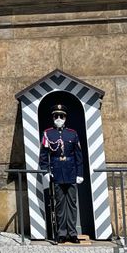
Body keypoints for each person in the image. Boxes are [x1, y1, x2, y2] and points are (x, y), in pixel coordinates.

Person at [38, 104, 84, 244]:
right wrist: (45, 171)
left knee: (72, 203)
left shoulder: (72, 133)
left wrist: (79, 173)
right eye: (56, 116)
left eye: (61, 116)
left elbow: (78, 155)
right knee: (59, 204)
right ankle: (62, 233)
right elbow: (44, 155)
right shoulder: (48, 133)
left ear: (65, 118)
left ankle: (72, 233)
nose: (59, 118)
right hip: (57, 172)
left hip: (70, 171)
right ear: (53, 117)